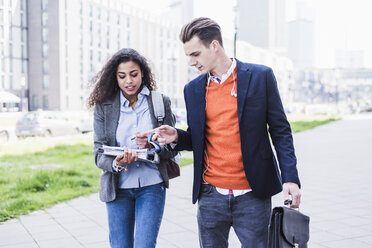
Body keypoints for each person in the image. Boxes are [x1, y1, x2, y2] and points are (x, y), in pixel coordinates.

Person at [141, 17, 301, 247]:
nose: (191, 62)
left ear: (214, 45)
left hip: (253, 195)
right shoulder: (193, 89)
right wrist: (178, 137)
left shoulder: (260, 77)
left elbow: (281, 131)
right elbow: (198, 137)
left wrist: (291, 179)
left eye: (195, 54)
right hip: (210, 197)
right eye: (188, 56)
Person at [88, 48, 176, 248]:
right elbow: (98, 153)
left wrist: (152, 146)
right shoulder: (105, 106)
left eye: (134, 74)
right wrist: (117, 163)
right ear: (115, 78)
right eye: (122, 76)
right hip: (118, 188)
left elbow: (172, 147)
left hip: (152, 186)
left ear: (142, 73)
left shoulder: (159, 103)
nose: (129, 81)